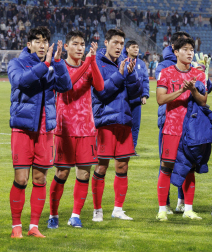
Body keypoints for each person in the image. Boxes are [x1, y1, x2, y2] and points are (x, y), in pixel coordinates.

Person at [7, 26, 71, 238]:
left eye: (45, 41)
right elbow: (21, 81)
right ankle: (16, 226)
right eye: (37, 41)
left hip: (45, 129)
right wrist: (45, 65)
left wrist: (59, 63)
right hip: (23, 128)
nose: (42, 45)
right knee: (22, 178)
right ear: (29, 44)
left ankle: (33, 226)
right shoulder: (17, 63)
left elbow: (65, 86)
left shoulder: (53, 63)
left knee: (40, 178)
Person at [47, 31, 104, 229]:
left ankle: (75, 215)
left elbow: (100, 85)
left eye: (82, 44)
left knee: (84, 173)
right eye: (76, 44)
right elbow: (68, 86)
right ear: (67, 47)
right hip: (65, 128)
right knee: (62, 173)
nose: (80, 48)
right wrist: (88, 62)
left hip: (87, 128)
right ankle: (53, 214)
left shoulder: (89, 65)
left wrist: (93, 61)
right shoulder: (59, 66)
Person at [155, 37, 208, 221]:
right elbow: (160, 99)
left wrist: (193, 90)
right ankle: (162, 209)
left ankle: (188, 209)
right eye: (185, 49)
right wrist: (181, 90)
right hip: (172, 127)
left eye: (191, 49)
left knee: (190, 169)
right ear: (176, 52)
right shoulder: (166, 72)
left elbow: (203, 101)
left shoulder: (199, 74)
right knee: (166, 167)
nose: (190, 52)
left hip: (191, 130)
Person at [92, 28, 142, 221]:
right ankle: (97, 210)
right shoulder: (97, 63)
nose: (119, 47)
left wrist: (130, 75)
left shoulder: (127, 64)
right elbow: (102, 92)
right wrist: (121, 74)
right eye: (115, 43)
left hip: (124, 121)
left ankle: (118, 209)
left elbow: (135, 94)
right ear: (106, 43)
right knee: (101, 167)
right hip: (105, 122)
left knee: (122, 167)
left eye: (121, 44)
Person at [122, 40, 149, 150]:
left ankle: (132, 148)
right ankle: (122, 148)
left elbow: (145, 81)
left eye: (137, 47)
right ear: (127, 49)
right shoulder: (122, 61)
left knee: (135, 125)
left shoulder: (141, 64)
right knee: (123, 124)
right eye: (133, 47)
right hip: (124, 99)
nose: (136, 49)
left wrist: (144, 95)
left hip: (137, 99)